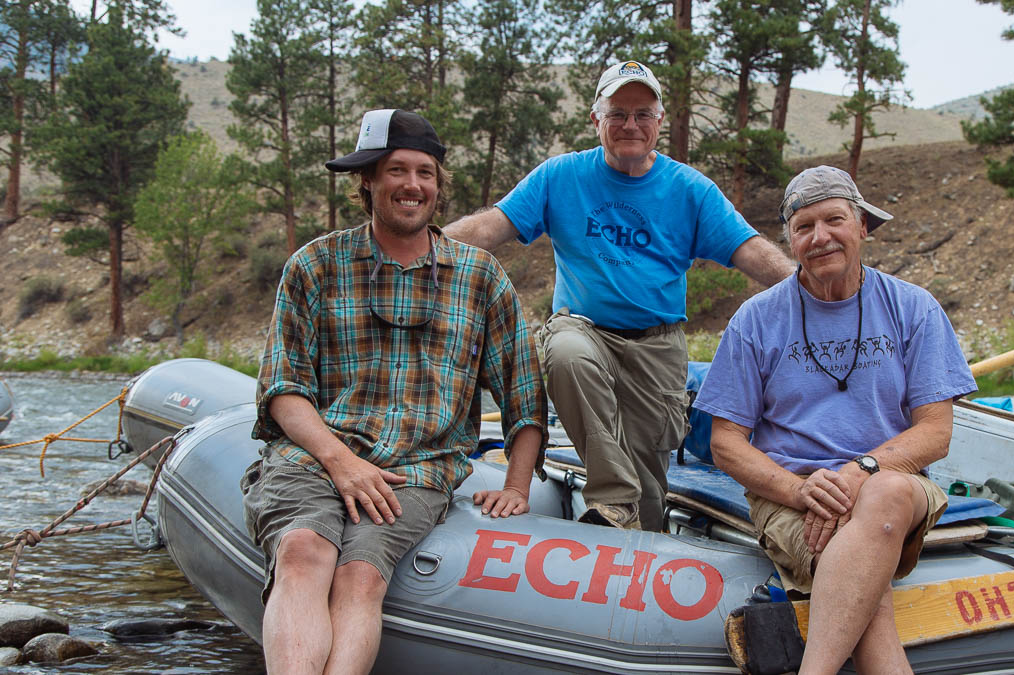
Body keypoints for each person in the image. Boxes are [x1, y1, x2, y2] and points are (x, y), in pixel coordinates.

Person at [242, 108, 547, 675]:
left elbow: (525, 399)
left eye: (425, 173)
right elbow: (283, 390)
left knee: (360, 576)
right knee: (304, 551)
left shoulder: (481, 278)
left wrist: (517, 485)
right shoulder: (314, 264)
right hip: (313, 456)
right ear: (368, 181)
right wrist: (341, 462)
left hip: (418, 469)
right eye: (396, 171)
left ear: (437, 185)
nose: (413, 185)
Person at [444, 60, 794, 532]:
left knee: (650, 491)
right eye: (618, 113)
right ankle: (610, 500)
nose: (630, 124)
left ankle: (631, 535)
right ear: (596, 120)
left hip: (657, 345)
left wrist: (806, 284)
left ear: (659, 122)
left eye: (642, 113)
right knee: (566, 352)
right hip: (583, 330)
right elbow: (493, 225)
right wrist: (425, 246)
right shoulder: (561, 176)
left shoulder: (690, 190)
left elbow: (749, 249)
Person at [693, 165, 977, 673]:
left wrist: (861, 470)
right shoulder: (756, 320)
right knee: (866, 582)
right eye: (803, 227)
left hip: (894, 484)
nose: (820, 237)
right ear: (791, 241)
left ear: (862, 226)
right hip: (792, 496)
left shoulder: (914, 309)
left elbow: (936, 432)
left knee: (884, 493)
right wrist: (799, 490)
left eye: (834, 220)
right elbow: (726, 443)